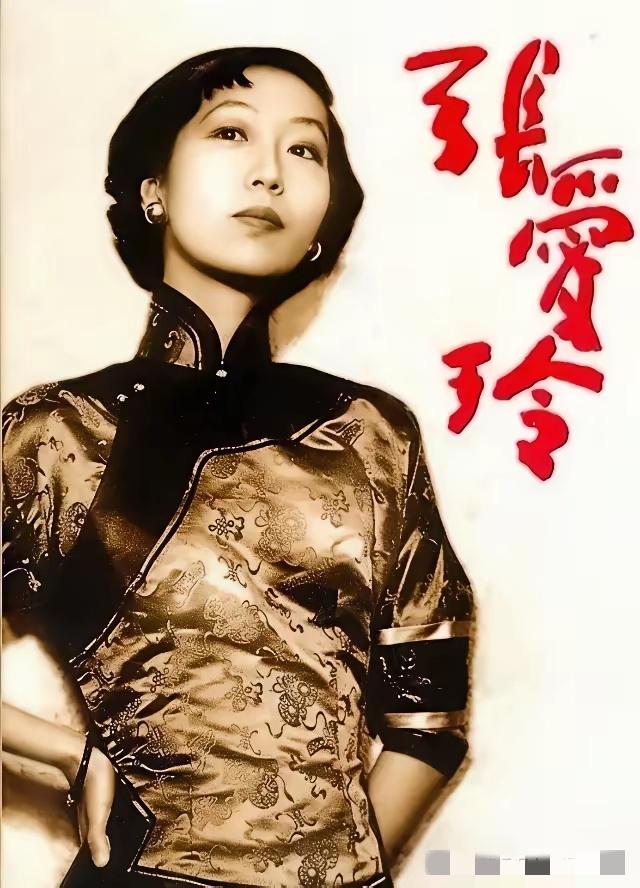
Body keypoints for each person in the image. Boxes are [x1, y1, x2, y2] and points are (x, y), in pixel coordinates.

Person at [2, 46, 475, 888]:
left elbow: (427, 720)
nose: (269, 173)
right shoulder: (58, 431)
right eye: (230, 133)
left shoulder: (370, 434)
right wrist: (73, 756)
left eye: (304, 149)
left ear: (324, 218)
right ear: (152, 189)